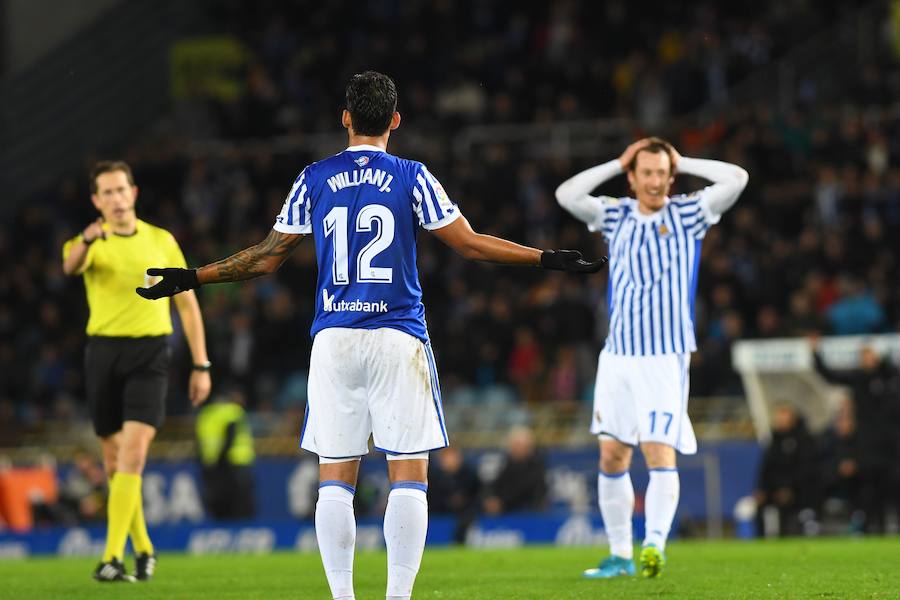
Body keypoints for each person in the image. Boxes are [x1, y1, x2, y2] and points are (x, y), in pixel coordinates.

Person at [136, 71, 606, 600]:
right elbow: (469, 244)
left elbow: (266, 257)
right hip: (397, 337)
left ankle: (343, 598)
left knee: (335, 479)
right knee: (409, 475)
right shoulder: (411, 175)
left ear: (345, 118)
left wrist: (195, 276)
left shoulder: (314, 177)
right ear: (396, 121)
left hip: (334, 340)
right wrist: (544, 257)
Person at [556, 137, 748, 578]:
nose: (656, 181)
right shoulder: (616, 214)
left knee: (658, 452)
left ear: (671, 176)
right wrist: (615, 160)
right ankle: (620, 554)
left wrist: (685, 159)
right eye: (647, 173)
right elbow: (566, 195)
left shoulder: (689, 213)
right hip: (618, 356)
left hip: (664, 357)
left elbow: (738, 178)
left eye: (663, 173)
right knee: (611, 457)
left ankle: (655, 546)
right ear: (633, 177)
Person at [62, 161, 212, 582]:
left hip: (150, 354)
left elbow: (187, 303)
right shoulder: (88, 242)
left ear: (134, 192)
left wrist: (200, 363)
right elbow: (70, 265)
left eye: (120, 190)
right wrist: (88, 238)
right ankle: (144, 549)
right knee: (114, 463)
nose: (115, 198)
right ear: (96, 201)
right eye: (105, 193)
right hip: (103, 355)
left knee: (134, 453)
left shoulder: (161, 241)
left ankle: (111, 557)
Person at [196, 389, 256, 520]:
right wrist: (220, 459)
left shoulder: (205, 415)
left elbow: (200, 442)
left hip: (213, 464)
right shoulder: (232, 412)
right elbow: (231, 435)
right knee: (238, 502)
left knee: (220, 502)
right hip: (233, 463)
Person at [482, 426, 548, 515]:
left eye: (521, 446)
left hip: (527, 512)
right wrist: (490, 499)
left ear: (529, 448)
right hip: (506, 511)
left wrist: (501, 502)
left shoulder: (537, 466)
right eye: (515, 445)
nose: (517, 449)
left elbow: (524, 489)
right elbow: (493, 484)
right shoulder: (506, 464)